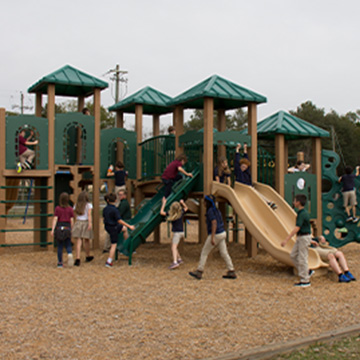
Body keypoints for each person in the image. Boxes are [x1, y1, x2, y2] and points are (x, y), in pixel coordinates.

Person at [189, 195, 236, 280]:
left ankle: (199, 271)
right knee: (224, 253)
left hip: (216, 234)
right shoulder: (216, 210)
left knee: (204, 252)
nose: (203, 203)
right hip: (222, 232)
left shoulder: (210, 211)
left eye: (204, 201)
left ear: (207, 203)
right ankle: (231, 270)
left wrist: (212, 237)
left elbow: (214, 223)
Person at [281, 194, 311, 287]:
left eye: (294, 201)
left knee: (302, 258)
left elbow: (297, 228)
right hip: (301, 237)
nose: (293, 202)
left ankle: (305, 280)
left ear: (298, 202)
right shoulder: (301, 213)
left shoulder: (302, 214)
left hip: (303, 237)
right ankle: (307, 271)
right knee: (293, 255)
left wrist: (287, 239)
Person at [234, 143, 276, 209]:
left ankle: (267, 202)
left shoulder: (246, 172)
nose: (243, 168)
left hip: (249, 188)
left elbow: (246, 159)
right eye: (242, 166)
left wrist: (245, 149)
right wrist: (237, 150)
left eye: (245, 167)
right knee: (255, 192)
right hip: (242, 188)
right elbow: (236, 162)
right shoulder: (239, 171)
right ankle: (267, 202)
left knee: (256, 193)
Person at [103, 192, 135, 268]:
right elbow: (119, 220)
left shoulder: (105, 209)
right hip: (114, 227)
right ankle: (109, 261)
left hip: (108, 227)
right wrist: (129, 226)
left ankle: (126, 243)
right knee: (114, 244)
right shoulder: (115, 210)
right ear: (116, 200)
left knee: (124, 229)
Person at [160, 197, 188, 269]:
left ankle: (175, 262)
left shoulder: (171, 214)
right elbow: (186, 208)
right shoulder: (181, 213)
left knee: (173, 247)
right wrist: (182, 203)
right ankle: (179, 259)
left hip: (177, 233)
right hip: (181, 232)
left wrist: (164, 203)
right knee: (173, 245)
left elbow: (161, 212)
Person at [51, 192, 74, 268]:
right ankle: (69, 253)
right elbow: (72, 220)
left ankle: (60, 262)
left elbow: (55, 219)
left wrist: (52, 229)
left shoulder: (57, 208)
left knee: (60, 246)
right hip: (67, 227)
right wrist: (72, 229)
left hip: (59, 227)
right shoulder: (70, 209)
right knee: (68, 244)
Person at [72, 191, 94, 266]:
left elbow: (75, 215)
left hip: (78, 222)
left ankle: (77, 258)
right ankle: (87, 255)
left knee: (79, 240)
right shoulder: (89, 205)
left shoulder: (76, 205)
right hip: (85, 222)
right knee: (86, 240)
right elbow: (89, 215)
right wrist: (90, 223)